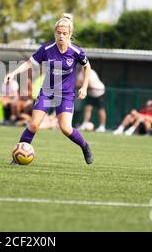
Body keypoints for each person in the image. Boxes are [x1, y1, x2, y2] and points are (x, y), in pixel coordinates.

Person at [5, 13, 94, 164]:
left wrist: (84, 87)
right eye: (58, 33)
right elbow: (29, 63)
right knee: (33, 124)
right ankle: (17, 156)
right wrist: (13, 72)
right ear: (55, 33)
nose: (61, 36)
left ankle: (85, 146)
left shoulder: (76, 51)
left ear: (69, 34)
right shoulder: (46, 49)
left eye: (64, 33)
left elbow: (87, 67)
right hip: (47, 92)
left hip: (65, 94)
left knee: (65, 128)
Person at [76, 68, 107, 132]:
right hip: (90, 93)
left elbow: (90, 84)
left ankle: (102, 126)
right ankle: (84, 124)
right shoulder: (79, 74)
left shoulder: (91, 72)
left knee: (101, 109)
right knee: (88, 108)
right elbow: (76, 83)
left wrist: (82, 84)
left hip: (99, 92)